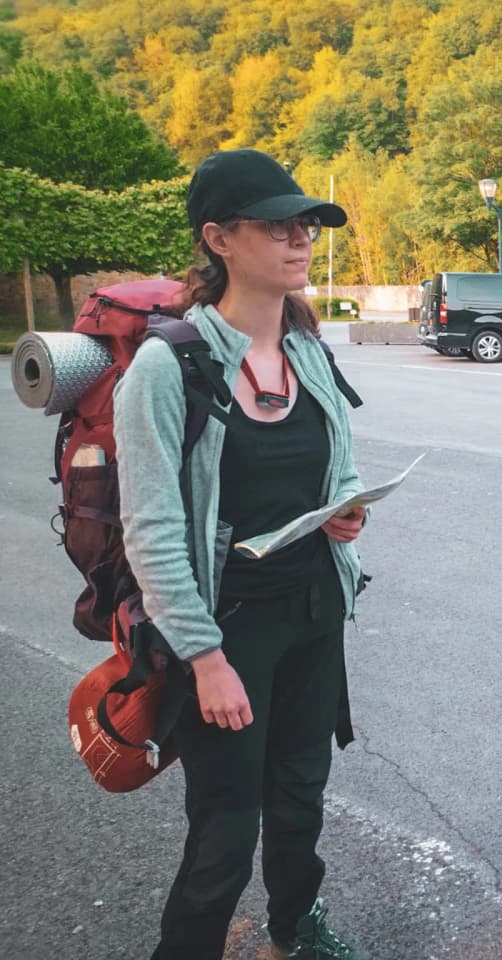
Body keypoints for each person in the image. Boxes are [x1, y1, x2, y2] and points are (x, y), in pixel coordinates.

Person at [115, 149, 367, 959]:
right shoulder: (166, 367)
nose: (300, 240)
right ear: (219, 239)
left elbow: (342, 464)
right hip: (226, 631)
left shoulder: (310, 352)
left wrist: (346, 513)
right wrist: (205, 657)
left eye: (305, 226)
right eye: (277, 226)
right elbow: (151, 531)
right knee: (227, 825)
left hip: (314, 612)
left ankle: (296, 930)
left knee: (300, 801)